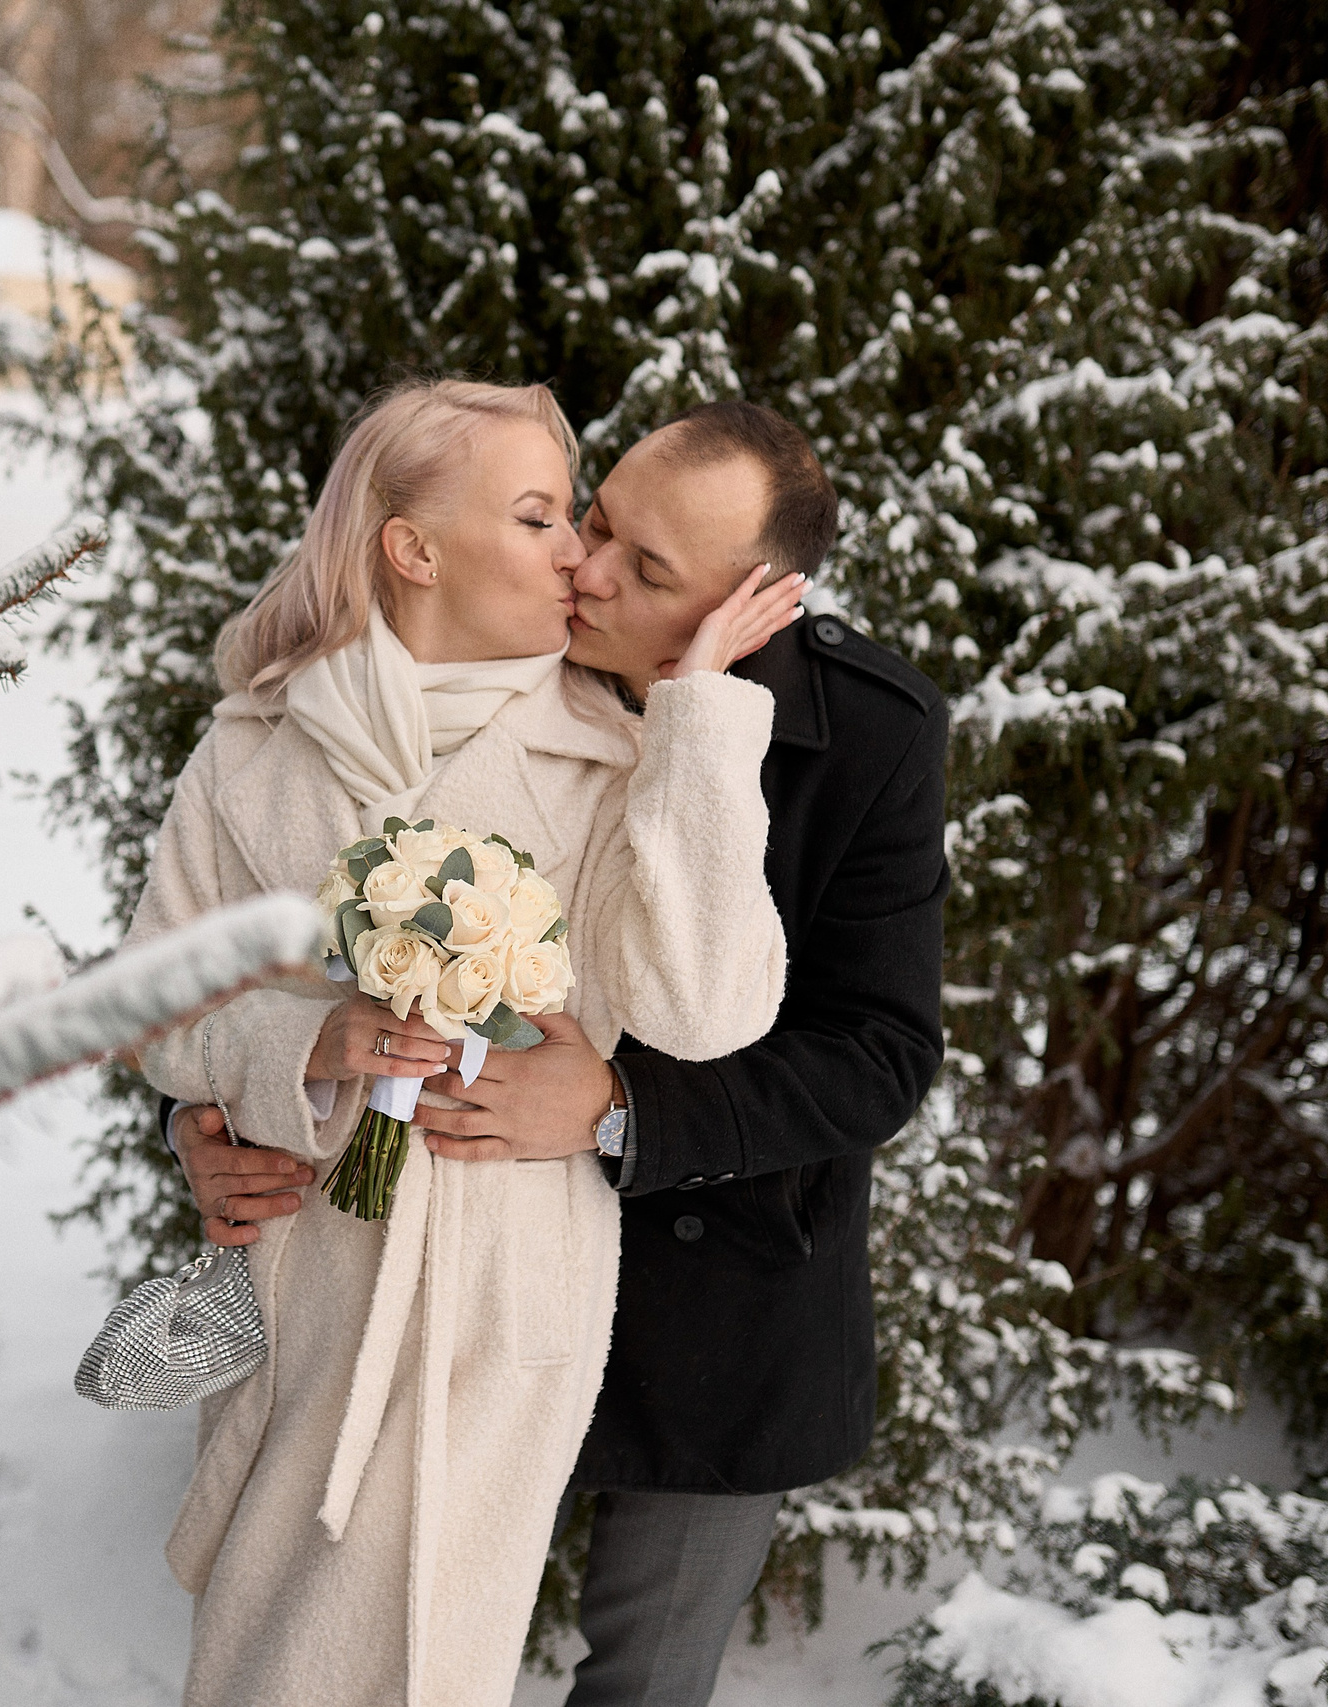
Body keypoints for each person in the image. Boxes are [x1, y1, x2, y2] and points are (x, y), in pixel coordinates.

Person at [171, 400, 950, 1707]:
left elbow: (876, 1051)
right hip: (442, 1266)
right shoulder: (511, 664)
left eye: (648, 569)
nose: (587, 566)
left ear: (747, 603)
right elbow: (258, 960)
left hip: (721, 1278)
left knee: (645, 1679)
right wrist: (214, 1120)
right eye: (593, 519)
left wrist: (619, 1107)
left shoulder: (869, 731)